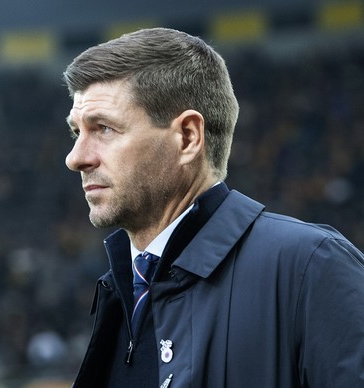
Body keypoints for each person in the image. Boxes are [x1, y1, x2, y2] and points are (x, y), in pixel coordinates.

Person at [62, 27, 364, 388]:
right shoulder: (121, 290)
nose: (75, 157)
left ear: (188, 137)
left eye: (104, 129)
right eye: (75, 132)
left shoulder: (310, 267)